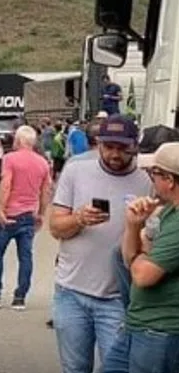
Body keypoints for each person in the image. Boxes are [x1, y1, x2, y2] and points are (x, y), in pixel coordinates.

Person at [49, 115, 152, 373]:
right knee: (75, 368)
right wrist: (79, 219)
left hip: (118, 298)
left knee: (117, 368)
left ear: (134, 146)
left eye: (122, 147)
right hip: (71, 292)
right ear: (98, 143)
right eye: (109, 147)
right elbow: (55, 227)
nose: (115, 154)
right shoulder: (76, 170)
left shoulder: (148, 180)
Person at [100, 143, 179, 373]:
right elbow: (127, 257)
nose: (150, 179)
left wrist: (141, 253)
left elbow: (143, 276)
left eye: (153, 173)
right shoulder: (168, 212)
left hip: (160, 330)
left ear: (169, 180)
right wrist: (133, 225)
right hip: (139, 325)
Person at [0, 126, 51, 310]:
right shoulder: (42, 163)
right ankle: (20, 297)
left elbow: (6, 184)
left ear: (18, 141)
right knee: (25, 257)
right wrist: (41, 213)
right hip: (28, 215)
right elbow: (46, 190)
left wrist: (1, 209)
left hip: (10, 213)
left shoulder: (10, 159)